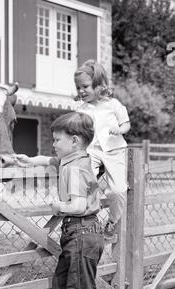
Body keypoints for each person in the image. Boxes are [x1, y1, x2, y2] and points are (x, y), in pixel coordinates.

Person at [14, 112, 104, 289]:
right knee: (64, 281)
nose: (53, 144)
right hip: (80, 232)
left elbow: (77, 205)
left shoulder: (75, 169)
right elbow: (51, 160)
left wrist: (58, 207)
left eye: (57, 140)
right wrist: (29, 160)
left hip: (81, 230)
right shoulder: (75, 159)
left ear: (74, 141)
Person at [75, 60, 131, 241]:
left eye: (85, 86)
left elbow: (126, 124)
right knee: (84, 181)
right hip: (92, 150)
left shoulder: (113, 104)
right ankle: (88, 219)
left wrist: (120, 130)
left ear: (99, 86)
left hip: (114, 149)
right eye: (78, 88)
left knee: (118, 191)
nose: (80, 91)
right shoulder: (82, 109)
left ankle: (112, 221)